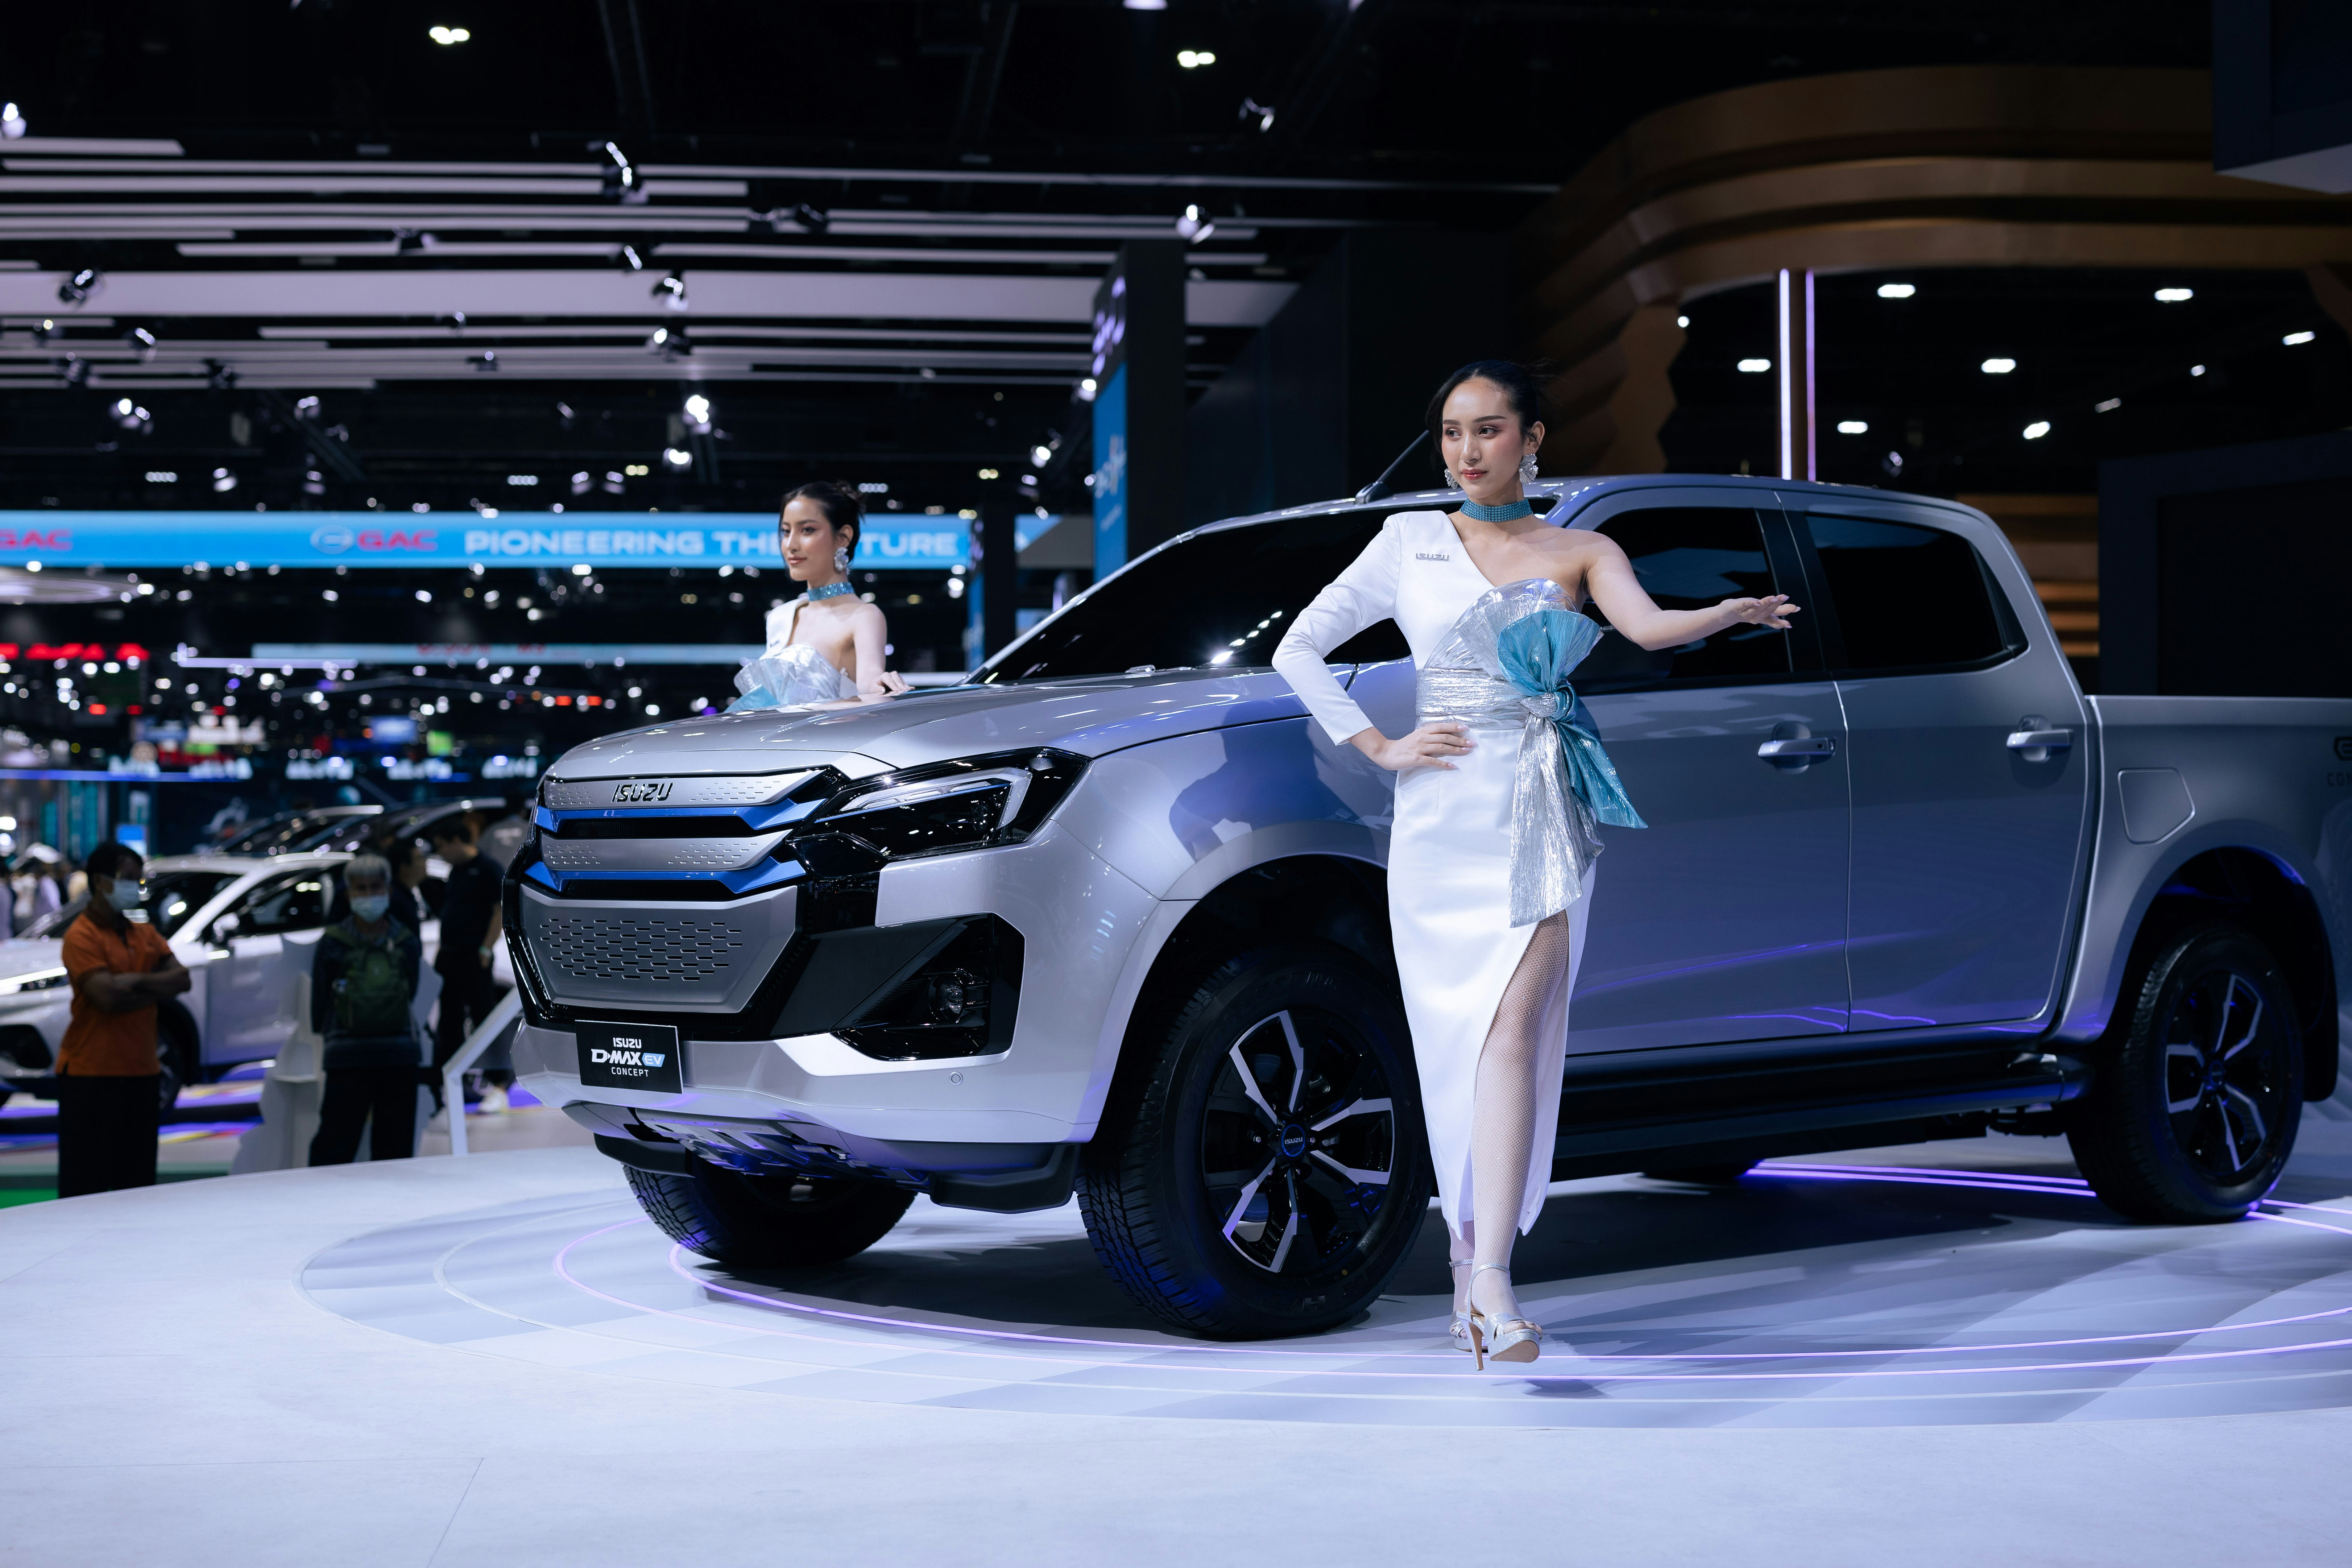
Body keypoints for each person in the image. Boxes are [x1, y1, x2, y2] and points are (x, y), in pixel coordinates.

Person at [1271, 359, 1798, 1368]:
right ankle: (1475, 1272)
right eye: (1453, 433)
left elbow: (1644, 628)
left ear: (1534, 438)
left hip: (1541, 804)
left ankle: (1492, 1282)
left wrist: (1724, 614)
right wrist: (1377, 746)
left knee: (1518, 1026)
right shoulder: (1410, 541)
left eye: (1489, 430)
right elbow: (1299, 647)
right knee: (1457, 1045)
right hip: (1440, 820)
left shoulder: (1583, 548)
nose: (1467, 451)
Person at [53, 840, 191, 1197]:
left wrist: (132, 981)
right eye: (128, 879)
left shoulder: (143, 932)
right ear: (101, 882)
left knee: (138, 1187)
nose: (136, 886)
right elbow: (106, 997)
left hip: (142, 1073)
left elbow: (183, 979)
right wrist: (153, 986)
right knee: (85, 1189)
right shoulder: (81, 936)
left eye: (139, 880)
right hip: (90, 1076)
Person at [730, 481, 910, 709]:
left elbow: (870, 683)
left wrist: (881, 685)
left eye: (807, 530)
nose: (791, 545)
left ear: (843, 537)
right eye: (786, 532)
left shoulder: (864, 616)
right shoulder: (780, 617)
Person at [307, 853, 424, 1166]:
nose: (369, 895)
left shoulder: (332, 942)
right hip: (399, 1053)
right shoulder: (404, 939)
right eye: (362, 888)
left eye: (375, 887)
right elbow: (411, 990)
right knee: (394, 1149)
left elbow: (320, 1001)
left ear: (387, 888)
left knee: (334, 1146)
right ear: (348, 894)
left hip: (347, 1055)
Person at [427, 815, 509, 1110]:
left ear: (456, 841)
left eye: (442, 847)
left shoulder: (487, 869)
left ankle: (499, 1084)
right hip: (450, 957)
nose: (441, 854)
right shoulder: (457, 872)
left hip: (474, 958)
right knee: (448, 1024)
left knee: (484, 1018)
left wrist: (486, 948)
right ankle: (444, 1083)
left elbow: (499, 911)